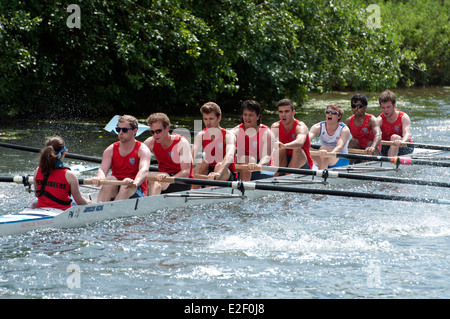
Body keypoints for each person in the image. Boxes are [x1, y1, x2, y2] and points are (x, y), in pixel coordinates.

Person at [92, 115, 151, 202]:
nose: (120, 133)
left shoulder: (143, 149)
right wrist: (99, 178)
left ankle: (111, 210)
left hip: (134, 187)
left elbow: (144, 170)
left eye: (124, 130)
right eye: (118, 129)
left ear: (135, 131)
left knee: (126, 183)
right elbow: (102, 169)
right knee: (110, 179)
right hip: (116, 186)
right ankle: (98, 208)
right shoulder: (110, 149)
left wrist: (136, 182)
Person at [34, 136, 93, 209]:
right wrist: (93, 204)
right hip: (63, 212)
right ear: (64, 152)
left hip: (41, 209)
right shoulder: (69, 175)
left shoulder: (38, 170)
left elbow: (37, 194)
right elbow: (79, 202)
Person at [144, 112, 194, 195]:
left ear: (167, 128)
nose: (155, 135)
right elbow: (134, 157)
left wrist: (169, 179)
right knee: (145, 177)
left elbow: (185, 172)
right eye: (152, 132)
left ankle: (150, 205)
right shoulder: (151, 142)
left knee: (154, 180)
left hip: (181, 182)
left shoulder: (181, 143)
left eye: (158, 131)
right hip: (162, 177)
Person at [191, 102, 237, 188]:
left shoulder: (228, 135)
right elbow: (191, 155)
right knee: (201, 163)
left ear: (219, 118)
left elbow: (230, 155)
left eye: (211, 119)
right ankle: (192, 192)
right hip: (209, 172)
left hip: (225, 172)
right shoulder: (201, 135)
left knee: (219, 165)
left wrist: (218, 173)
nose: (208, 123)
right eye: (205, 119)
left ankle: (205, 194)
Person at [231, 100, 275, 181]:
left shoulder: (266, 133)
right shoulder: (235, 131)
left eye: (251, 115)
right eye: (245, 115)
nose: (247, 118)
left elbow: (266, 156)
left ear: (258, 116)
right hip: (243, 165)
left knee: (246, 159)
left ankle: (243, 189)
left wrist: (257, 166)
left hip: (262, 167)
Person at [270, 98, 313, 173]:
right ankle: (276, 176)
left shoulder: (300, 126)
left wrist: (285, 145)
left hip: (302, 164)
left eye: (286, 111)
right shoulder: (275, 126)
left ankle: (287, 176)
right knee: (279, 148)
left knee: (297, 148)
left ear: (293, 112)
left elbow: (300, 142)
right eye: (281, 112)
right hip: (284, 160)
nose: (283, 115)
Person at [309, 103, 351, 169]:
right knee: (301, 147)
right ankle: (290, 175)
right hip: (323, 155)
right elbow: (306, 141)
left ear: (339, 116)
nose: (330, 114)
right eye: (328, 112)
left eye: (333, 113)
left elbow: (339, 148)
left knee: (323, 149)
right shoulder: (317, 127)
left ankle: (321, 174)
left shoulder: (344, 129)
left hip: (340, 160)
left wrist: (328, 155)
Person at [344, 93, 381, 159]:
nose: (356, 109)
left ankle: (366, 164)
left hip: (372, 150)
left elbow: (378, 135)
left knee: (370, 143)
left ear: (365, 107)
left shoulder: (372, 120)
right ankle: (349, 166)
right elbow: (339, 135)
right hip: (357, 150)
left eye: (359, 106)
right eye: (353, 106)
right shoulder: (348, 121)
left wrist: (373, 147)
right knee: (353, 141)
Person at [377, 90, 413, 157]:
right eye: (383, 107)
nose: (385, 110)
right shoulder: (379, 120)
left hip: (404, 146)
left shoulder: (403, 117)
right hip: (387, 146)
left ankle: (390, 164)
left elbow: (407, 134)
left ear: (394, 105)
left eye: (388, 107)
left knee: (395, 137)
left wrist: (401, 142)